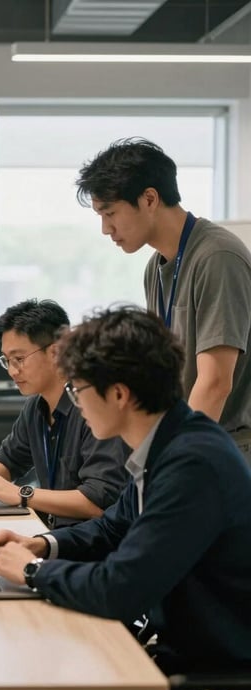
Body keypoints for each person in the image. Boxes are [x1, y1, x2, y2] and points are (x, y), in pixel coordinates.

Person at [0, 306, 251, 690]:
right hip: (169, 663)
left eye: (79, 390)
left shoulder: (192, 465)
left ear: (119, 394)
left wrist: (32, 571)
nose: (76, 402)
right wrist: (42, 545)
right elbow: (111, 527)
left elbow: (119, 588)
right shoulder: (167, 445)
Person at [76, 138, 251, 463]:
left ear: (150, 199)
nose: (105, 228)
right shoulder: (155, 268)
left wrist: (171, 458)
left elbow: (214, 384)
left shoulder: (217, 257)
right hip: (188, 441)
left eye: (110, 213)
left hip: (224, 449)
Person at [0, 299, 127, 528]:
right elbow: (9, 457)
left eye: (19, 359)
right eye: (6, 361)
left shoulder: (93, 408)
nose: (12, 371)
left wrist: (23, 494)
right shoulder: (36, 407)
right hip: (51, 532)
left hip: (88, 544)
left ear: (56, 352)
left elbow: (98, 502)